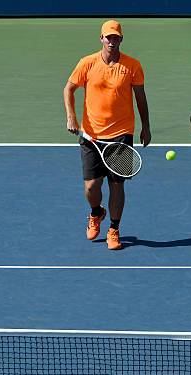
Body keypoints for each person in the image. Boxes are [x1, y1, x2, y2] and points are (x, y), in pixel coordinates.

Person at [63, 20, 151, 250]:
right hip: (91, 135)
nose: (112, 41)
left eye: (116, 37)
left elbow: (140, 98)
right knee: (91, 187)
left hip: (121, 133)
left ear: (121, 39)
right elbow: (68, 89)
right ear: (101, 38)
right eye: (108, 37)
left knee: (116, 184)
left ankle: (114, 229)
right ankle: (96, 212)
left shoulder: (133, 66)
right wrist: (71, 116)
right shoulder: (87, 63)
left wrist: (146, 126)